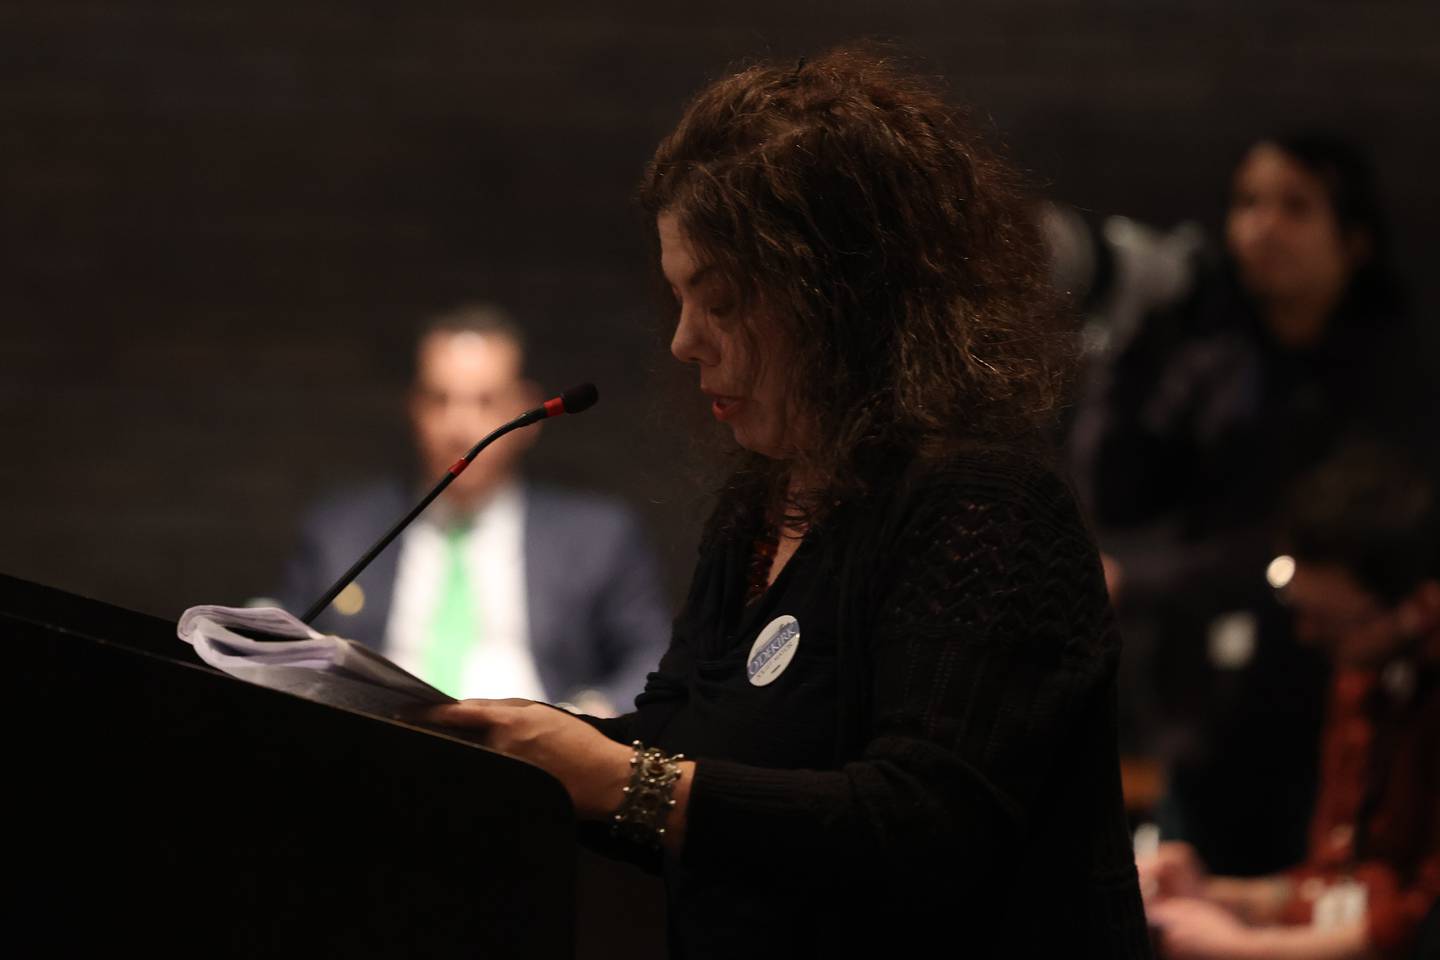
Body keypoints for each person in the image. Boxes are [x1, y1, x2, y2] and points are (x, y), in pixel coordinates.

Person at [419, 49, 1151, 957]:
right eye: (678, 296)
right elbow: (676, 734)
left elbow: (923, 825)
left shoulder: (984, 500)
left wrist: (621, 780)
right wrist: (490, 748)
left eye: (719, 301)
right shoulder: (763, 501)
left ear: (842, 300)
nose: (685, 342)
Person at [1074, 134, 1434, 874]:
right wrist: (1129, 336)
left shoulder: (1396, 371)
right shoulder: (1206, 356)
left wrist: (1146, 584)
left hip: (1342, 701)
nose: (1260, 227)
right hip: (1205, 714)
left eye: (1294, 206)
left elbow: (1321, 537)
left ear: (1355, 240)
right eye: (1246, 204)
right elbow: (1116, 488)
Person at [277, 303, 671, 715]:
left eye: (484, 401)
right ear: (414, 407)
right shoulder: (340, 530)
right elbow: (284, 645)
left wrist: (587, 717)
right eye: (440, 399)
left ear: (528, 412)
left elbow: (651, 657)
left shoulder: (598, 536)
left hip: (538, 758)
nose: (459, 426)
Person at [1142, 442, 1440, 960]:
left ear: (1415, 607)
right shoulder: (1361, 675)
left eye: (1329, 625)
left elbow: (1421, 925)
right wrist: (1220, 896)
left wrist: (1242, 949)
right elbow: (1335, 883)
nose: (1305, 635)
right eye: (1299, 609)